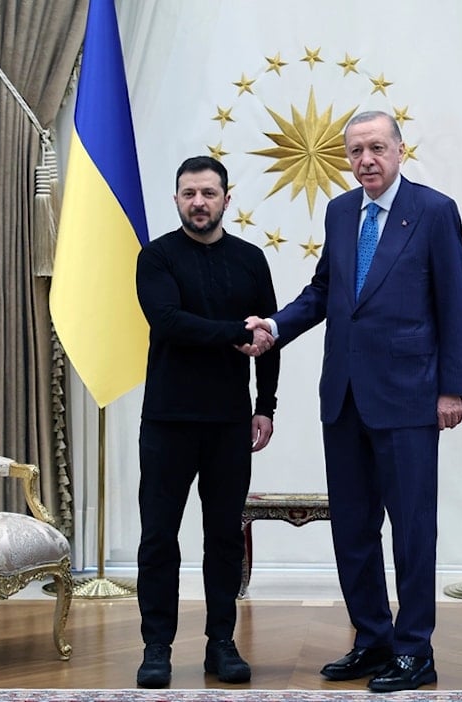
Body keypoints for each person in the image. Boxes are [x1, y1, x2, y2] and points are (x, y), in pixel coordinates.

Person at [246, 111, 462, 693]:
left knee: (413, 529)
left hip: (410, 398)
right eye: (355, 151)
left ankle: (415, 651)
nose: (365, 160)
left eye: (376, 148)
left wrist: (452, 387)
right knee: (352, 529)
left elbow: (455, 304)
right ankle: (373, 640)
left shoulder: (434, 211)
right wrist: (275, 324)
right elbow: (325, 290)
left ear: (400, 149)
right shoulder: (342, 212)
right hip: (344, 397)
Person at [134, 155, 279, 689]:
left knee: (222, 537)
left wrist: (266, 404)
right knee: (158, 538)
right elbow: (168, 322)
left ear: (226, 198)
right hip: (169, 420)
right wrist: (235, 336)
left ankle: (222, 643)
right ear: (176, 200)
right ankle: (156, 647)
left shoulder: (249, 258)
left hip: (228, 423)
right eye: (189, 193)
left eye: (208, 193)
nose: (199, 202)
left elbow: (268, 333)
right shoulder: (157, 257)